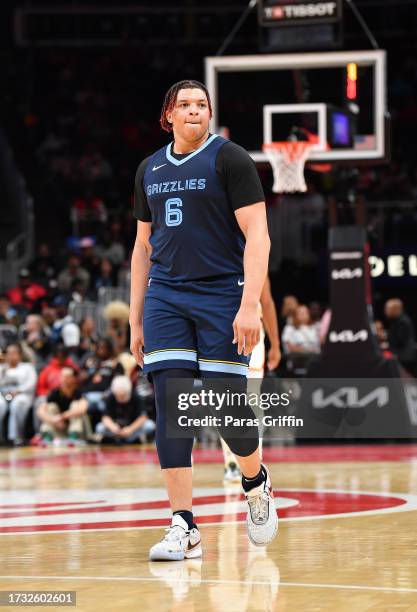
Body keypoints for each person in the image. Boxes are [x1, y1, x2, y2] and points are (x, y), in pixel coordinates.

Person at [130, 79, 278, 561]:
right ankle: (183, 525)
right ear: (167, 115)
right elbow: (141, 250)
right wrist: (135, 321)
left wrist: (250, 303)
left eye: (202, 105)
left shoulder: (230, 158)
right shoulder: (149, 168)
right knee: (170, 409)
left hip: (222, 295)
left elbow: (258, 233)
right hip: (166, 297)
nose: (195, 111)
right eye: (185, 105)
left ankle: (255, 483)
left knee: (227, 412)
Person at [222, 276, 281, 483]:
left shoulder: (257, 258)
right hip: (224, 331)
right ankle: (231, 462)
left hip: (253, 335)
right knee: (227, 399)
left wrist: (276, 344)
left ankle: (256, 460)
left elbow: (267, 302)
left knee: (252, 399)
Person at [95, 375, 155, 444]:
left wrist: (130, 429)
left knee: (149, 425)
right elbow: (105, 417)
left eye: (123, 396)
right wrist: (113, 427)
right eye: (118, 396)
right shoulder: (110, 397)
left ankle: (129, 439)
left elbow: (143, 417)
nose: (120, 399)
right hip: (116, 429)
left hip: (132, 428)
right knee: (100, 428)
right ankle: (119, 439)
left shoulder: (136, 397)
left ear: (128, 391)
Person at [36, 367, 88, 445]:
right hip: (59, 428)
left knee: (75, 405)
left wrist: (62, 416)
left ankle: (74, 437)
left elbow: (83, 409)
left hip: (76, 429)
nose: (64, 379)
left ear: (73, 379)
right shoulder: (55, 392)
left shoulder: (78, 392)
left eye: (67, 376)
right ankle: (47, 437)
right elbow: (40, 411)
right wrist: (53, 419)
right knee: (51, 407)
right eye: (63, 376)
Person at [0, 343, 37, 445]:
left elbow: (31, 384)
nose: (11, 355)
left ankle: (16, 437)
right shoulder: (2, 368)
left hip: (21, 394)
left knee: (16, 404)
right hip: (4, 395)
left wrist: (18, 391)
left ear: (20, 355)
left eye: (13, 353)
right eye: (8, 353)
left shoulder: (27, 367)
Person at [384, 299, 416, 372]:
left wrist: (387, 341)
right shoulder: (398, 320)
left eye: (387, 308)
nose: (385, 311)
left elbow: (400, 340)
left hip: (404, 357)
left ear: (394, 309)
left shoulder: (402, 321)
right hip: (403, 356)